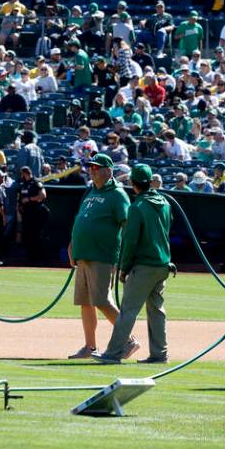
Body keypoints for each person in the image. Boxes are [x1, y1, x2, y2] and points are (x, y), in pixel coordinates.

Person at [93, 164, 172, 364]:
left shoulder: (136, 207)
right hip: (163, 264)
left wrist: (123, 268)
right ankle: (159, 354)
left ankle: (113, 353)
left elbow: (130, 241)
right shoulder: (164, 203)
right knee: (156, 310)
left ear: (133, 184)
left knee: (128, 310)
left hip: (144, 265)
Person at [67, 153, 134, 359]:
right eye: (90, 167)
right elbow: (82, 220)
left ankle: (129, 340)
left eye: (96, 167)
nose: (91, 170)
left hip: (103, 255)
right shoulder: (90, 192)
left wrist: (125, 255)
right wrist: (73, 246)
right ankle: (90, 347)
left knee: (102, 301)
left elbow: (127, 224)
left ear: (108, 170)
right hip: (84, 254)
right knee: (85, 302)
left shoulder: (117, 194)